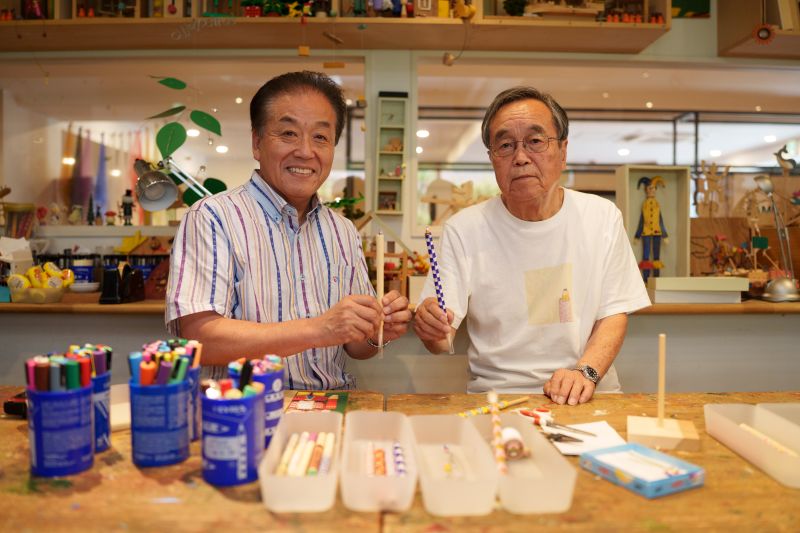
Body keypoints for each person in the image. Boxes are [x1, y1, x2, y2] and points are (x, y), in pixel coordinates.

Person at [165, 71, 412, 389]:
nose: (306, 151)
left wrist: (378, 332)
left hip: (332, 404)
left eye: (320, 137)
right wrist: (319, 329)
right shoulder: (212, 218)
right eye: (288, 133)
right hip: (246, 407)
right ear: (257, 143)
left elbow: (355, 346)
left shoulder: (342, 231)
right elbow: (200, 340)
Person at [413, 86, 650, 405]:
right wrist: (431, 329)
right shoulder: (464, 229)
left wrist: (585, 373)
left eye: (535, 142)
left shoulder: (602, 216)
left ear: (563, 151)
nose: (521, 158)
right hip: (500, 398)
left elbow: (614, 314)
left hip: (588, 393)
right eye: (505, 145)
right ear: (492, 159)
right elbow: (441, 341)